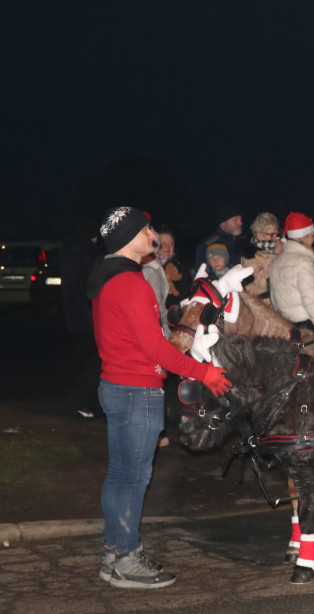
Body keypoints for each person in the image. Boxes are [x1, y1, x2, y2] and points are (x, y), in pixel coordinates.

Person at [87, 206, 232, 589]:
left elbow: (136, 335)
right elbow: (155, 349)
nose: (152, 234)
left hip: (116, 385)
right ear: (128, 237)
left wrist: (177, 318)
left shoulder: (108, 278)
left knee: (121, 474)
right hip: (137, 390)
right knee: (135, 477)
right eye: (146, 229)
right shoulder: (131, 283)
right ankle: (127, 559)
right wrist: (205, 372)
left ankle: (113, 553)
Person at [61, 218, 104, 419]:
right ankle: (90, 405)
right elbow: (91, 288)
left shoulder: (68, 252)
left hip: (73, 316)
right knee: (94, 362)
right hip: (90, 318)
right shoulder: (89, 255)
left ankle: (86, 403)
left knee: (84, 360)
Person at [268, 212, 314, 331]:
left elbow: (274, 301)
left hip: (286, 327)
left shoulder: (276, 262)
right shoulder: (303, 263)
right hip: (308, 328)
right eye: (312, 235)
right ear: (303, 238)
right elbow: (312, 300)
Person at [239, 212, 282, 298]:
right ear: (259, 235)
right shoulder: (248, 255)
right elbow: (265, 282)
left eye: (277, 234)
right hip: (261, 304)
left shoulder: (276, 249)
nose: (275, 238)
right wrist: (275, 255)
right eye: (272, 234)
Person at [193, 205, 244, 275]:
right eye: (235, 219)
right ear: (223, 224)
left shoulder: (243, 243)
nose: (240, 223)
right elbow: (201, 277)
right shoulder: (207, 245)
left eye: (240, 219)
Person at [155, 228, 183, 304]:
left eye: (171, 244)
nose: (167, 247)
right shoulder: (146, 266)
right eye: (163, 243)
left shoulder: (179, 269)